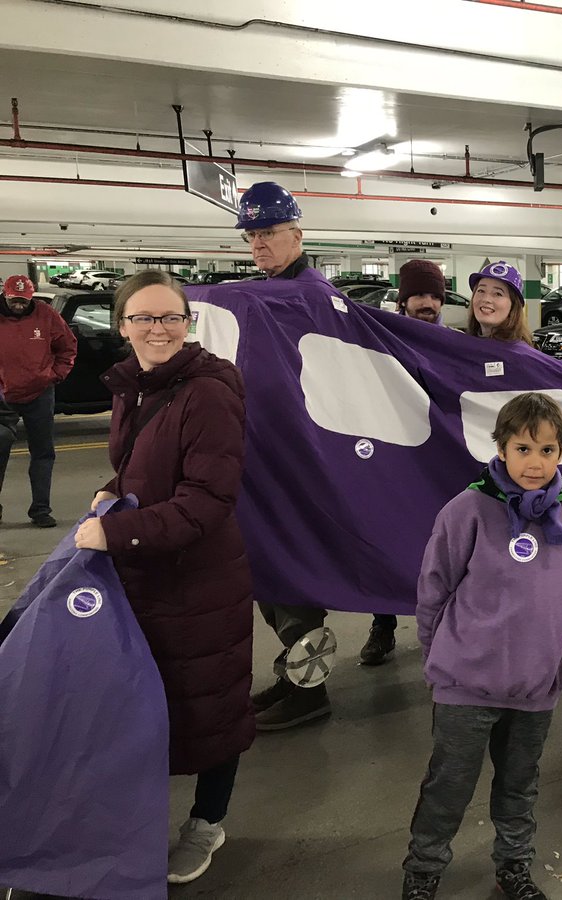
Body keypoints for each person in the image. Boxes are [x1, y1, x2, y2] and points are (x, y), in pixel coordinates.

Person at [76, 270, 254, 885]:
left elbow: (208, 499)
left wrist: (118, 532)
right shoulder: (137, 386)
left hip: (198, 578)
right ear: (123, 327)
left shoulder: (207, 390)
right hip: (145, 572)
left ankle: (207, 822)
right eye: (143, 319)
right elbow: (135, 470)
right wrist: (109, 493)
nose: (158, 329)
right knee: (146, 704)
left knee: (209, 703)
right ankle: (140, 821)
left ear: (187, 322)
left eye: (170, 317)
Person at [402, 393, 562, 900]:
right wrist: (437, 661)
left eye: (548, 450)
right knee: (448, 787)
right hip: (465, 683)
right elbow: (434, 590)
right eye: (522, 448)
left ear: (561, 452)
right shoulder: (467, 509)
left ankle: (513, 866)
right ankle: (423, 870)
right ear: (500, 448)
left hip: (536, 686)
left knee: (519, 787)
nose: (535, 463)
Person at [235, 181, 336, 729]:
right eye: (252, 235)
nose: (258, 243)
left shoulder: (311, 297)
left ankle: (309, 690)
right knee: (270, 569)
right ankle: (293, 674)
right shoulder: (267, 290)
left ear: (297, 234)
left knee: (294, 571)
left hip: (299, 453)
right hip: (266, 450)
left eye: (268, 232)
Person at [360, 259, 448, 666]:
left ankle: (447, 625)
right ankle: (383, 624)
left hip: (441, 460)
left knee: (444, 545)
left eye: (433, 295)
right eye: (418, 295)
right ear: (404, 299)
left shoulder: (454, 344)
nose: (426, 303)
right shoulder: (383, 338)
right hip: (394, 456)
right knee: (388, 537)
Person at [0, 274, 77, 528]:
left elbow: (67, 347)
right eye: (14, 301)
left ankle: (41, 510)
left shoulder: (46, 315)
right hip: (3, 397)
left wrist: (55, 376)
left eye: (24, 301)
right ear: (5, 295)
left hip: (40, 395)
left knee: (43, 454)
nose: (19, 305)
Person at [466, 260, 533, 345]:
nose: (486, 299)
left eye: (498, 294)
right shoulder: (465, 346)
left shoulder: (520, 356)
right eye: (481, 290)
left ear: (513, 306)